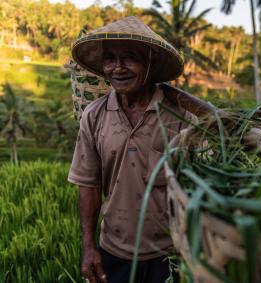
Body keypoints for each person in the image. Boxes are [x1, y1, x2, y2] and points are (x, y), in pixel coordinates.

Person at [68, 16, 193, 283]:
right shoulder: (94, 115)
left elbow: (199, 185)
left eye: (130, 58)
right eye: (110, 58)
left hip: (170, 254)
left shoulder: (181, 117)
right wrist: (89, 247)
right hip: (113, 252)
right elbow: (88, 184)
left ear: (151, 61)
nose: (118, 68)